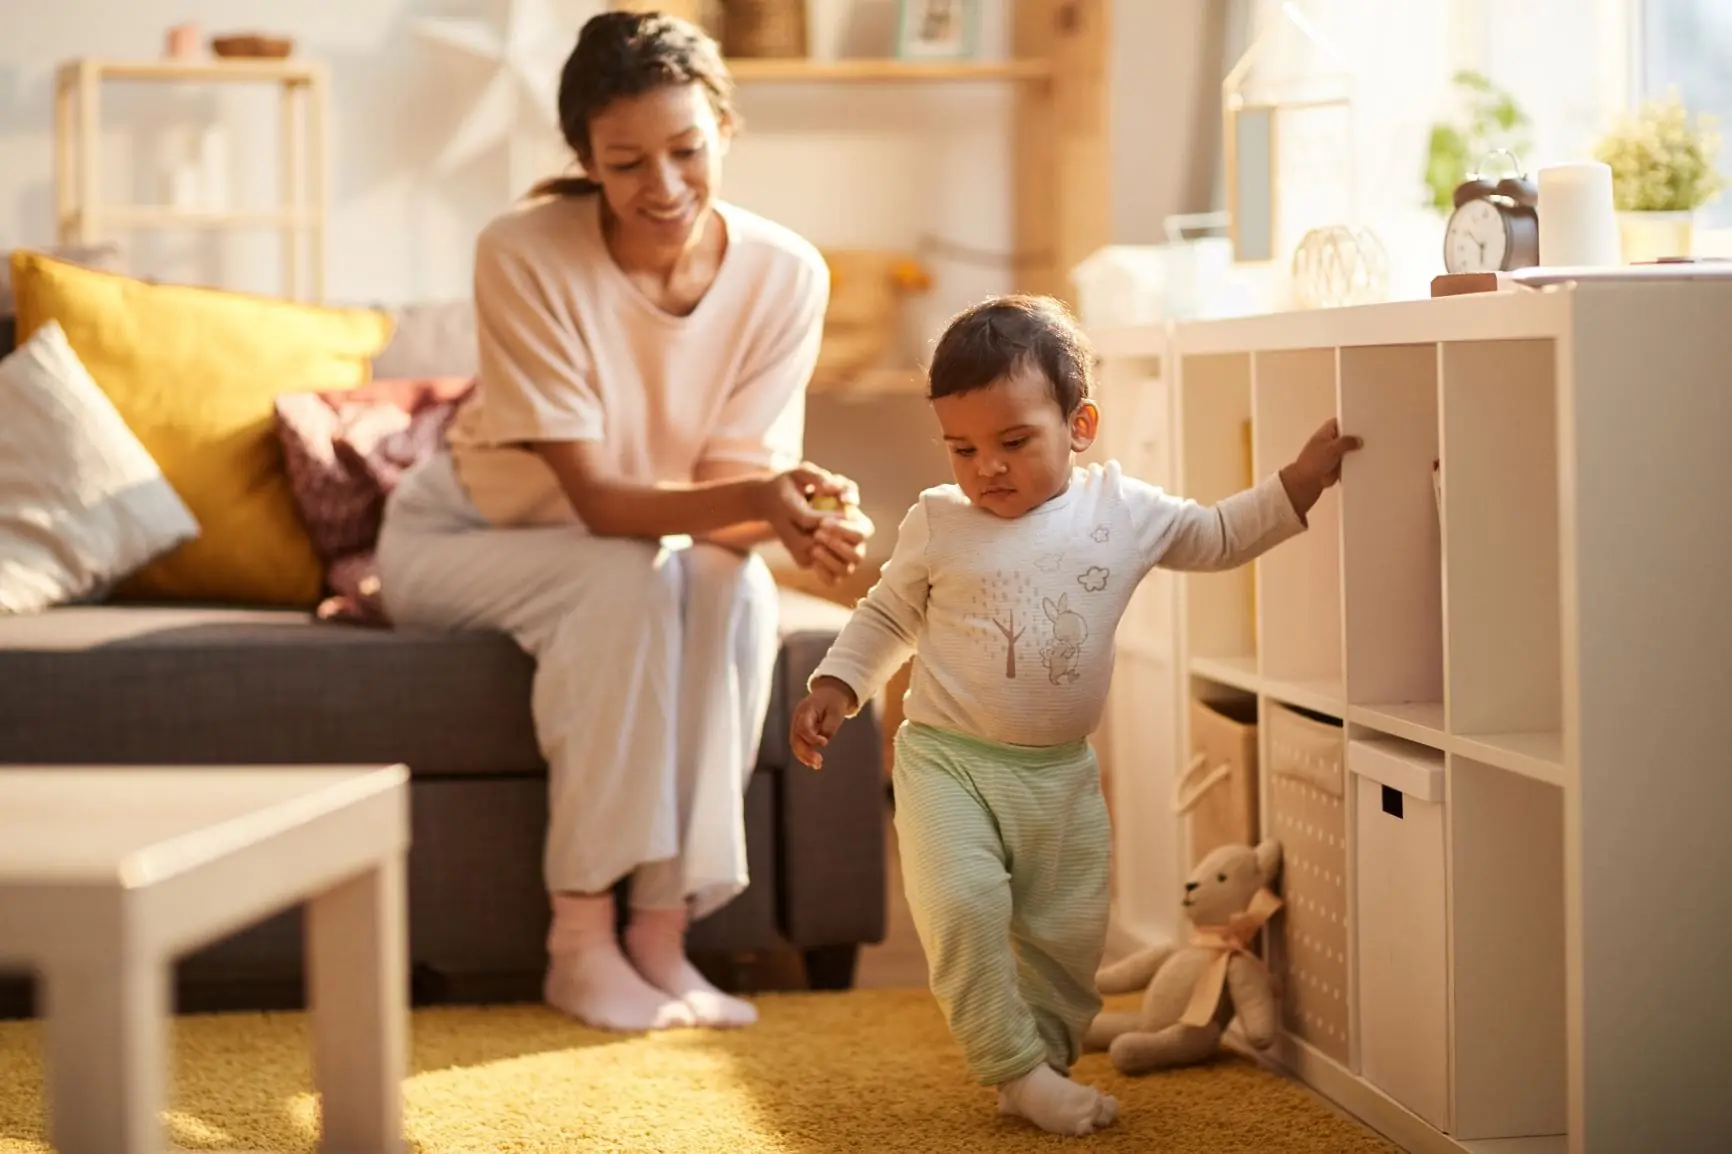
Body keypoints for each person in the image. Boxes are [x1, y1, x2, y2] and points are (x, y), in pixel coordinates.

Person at [376, 10, 873, 1034]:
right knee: (629, 576)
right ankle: (577, 941)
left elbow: (734, 497)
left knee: (732, 585)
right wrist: (757, 501)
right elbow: (602, 502)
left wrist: (798, 528)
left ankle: (659, 932)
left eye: (687, 149)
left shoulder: (785, 273)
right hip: (464, 537)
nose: (664, 185)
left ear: (725, 128)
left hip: (635, 538)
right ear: (585, 162)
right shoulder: (524, 250)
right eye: (626, 160)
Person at [789, 295, 1359, 1136]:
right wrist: (838, 685)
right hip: (948, 761)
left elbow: (1215, 536)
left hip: (1057, 772)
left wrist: (1299, 483)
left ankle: (1045, 1059)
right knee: (966, 906)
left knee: (1066, 936)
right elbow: (886, 615)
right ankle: (1011, 1067)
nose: (987, 467)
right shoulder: (938, 522)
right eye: (963, 448)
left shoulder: (1120, 514)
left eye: (1014, 442)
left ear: (1079, 423)